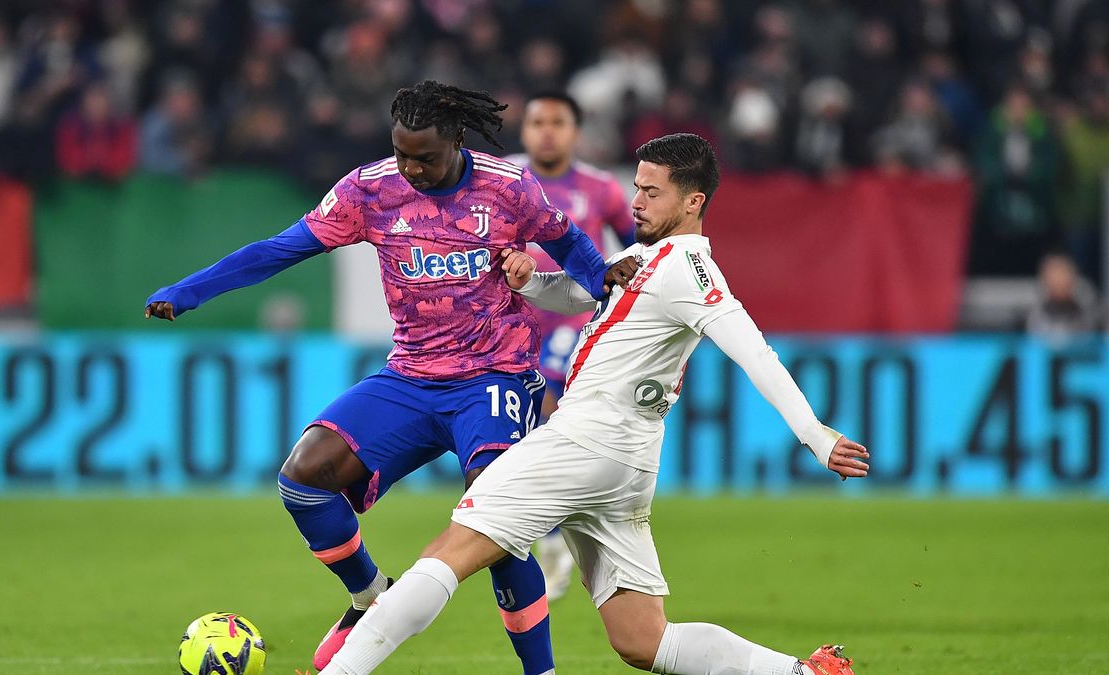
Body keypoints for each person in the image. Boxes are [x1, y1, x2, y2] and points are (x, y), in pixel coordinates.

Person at [321, 133, 869, 675]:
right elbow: (583, 293)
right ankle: (802, 673)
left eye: (652, 192)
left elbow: (756, 354)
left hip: (586, 439)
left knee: (453, 549)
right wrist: (531, 281)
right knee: (642, 638)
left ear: (693, 201)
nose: (635, 202)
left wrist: (817, 438)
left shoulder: (689, 271)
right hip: (624, 463)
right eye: (636, 188)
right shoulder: (645, 257)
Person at [143, 81, 636, 675]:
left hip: (495, 377)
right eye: (402, 153)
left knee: (498, 517)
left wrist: (619, 293)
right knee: (304, 478)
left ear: (456, 139)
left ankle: (542, 672)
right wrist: (190, 290)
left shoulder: (509, 188)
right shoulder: (369, 189)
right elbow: (282, 249)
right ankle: (368, 594)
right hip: (410, 376)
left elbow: (578, 250)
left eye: (424, 157)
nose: (412, 169)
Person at [504, 91, 634, 601]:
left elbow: (637, 244)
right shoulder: (503, 179)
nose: (547, 131)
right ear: (525, 129)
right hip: (508, 325)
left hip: (574, 323)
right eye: (538, 121)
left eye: (558, 122)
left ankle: (560, 534)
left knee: (549, 410)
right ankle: (556, 533)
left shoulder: (602, 188)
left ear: (575, 131)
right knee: (520, 433)